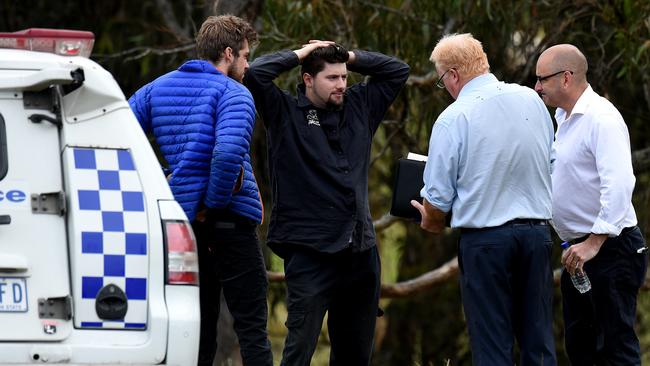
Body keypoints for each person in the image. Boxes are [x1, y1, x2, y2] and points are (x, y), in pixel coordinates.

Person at [244, 41, 409, 365]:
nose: (342, 84)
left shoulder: (360, 105)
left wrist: (347, 55)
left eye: (344, 77)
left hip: (360, 254)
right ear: (307, 79)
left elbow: (397, 70)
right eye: (332, 78)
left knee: (355, 355)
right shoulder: (285, 113)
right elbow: (256, 75)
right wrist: (300, 55)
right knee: (299, 351)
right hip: (309, 254)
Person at [128, 15, 273, 366]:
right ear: (227, 53)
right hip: (229, 223)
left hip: (184, 228)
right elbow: (226, 154)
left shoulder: (154, 89)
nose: (247, 64)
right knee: (252, 326)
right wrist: (214, 202)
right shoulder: (235, 93)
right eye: (244, 55)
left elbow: (120, 138)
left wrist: (167, 178)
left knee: (198, 326)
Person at [411, 33, 557, 365]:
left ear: (452, 75)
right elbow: (551, 162)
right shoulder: (531, 100)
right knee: (539, 341)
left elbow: (437, 198)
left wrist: (430, 219)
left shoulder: (454, 117)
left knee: (492, 345)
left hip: (487, 242)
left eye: (441, 82)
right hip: (536, 236)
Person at [535, 44, 648, 365]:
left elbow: (620, 184)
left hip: (611, 250)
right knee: (582, 348)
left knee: (615, 350)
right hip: (579, 252)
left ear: (566, 78)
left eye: (542, 79)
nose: (537, 86)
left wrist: (594, 242)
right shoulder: (562, 118)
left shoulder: (602, 118)